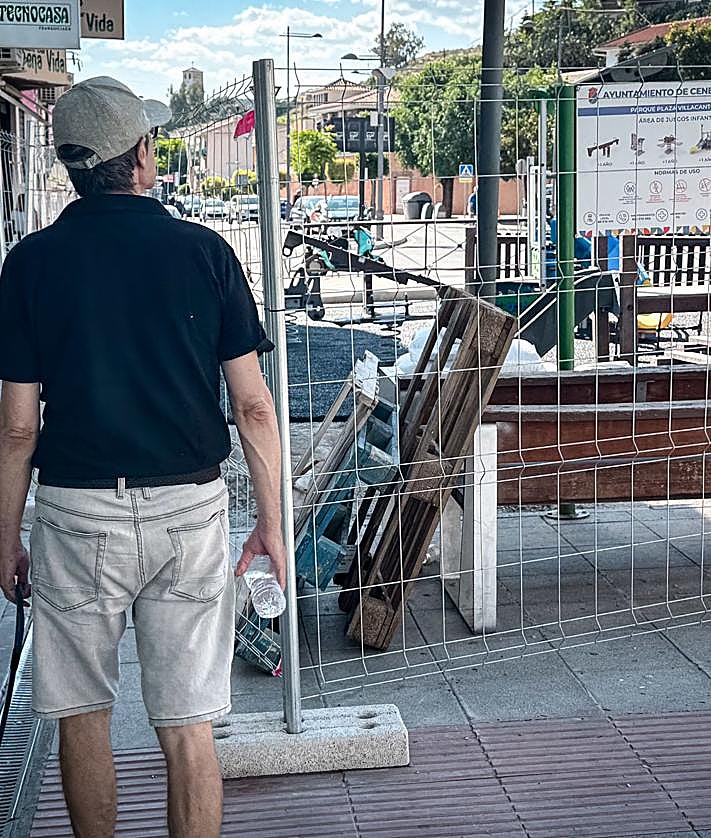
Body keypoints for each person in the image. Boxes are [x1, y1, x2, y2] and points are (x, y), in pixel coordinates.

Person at [0, 76, 285, 838]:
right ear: (143, 156)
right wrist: (271, 524)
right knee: (189, 723)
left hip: (75, 510)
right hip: (188, 511)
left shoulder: (30, 263)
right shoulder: (203, 252)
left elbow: (19, 428)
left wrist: (5, 538)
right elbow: (253, 406)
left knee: (81, 714)